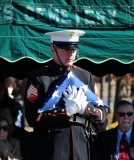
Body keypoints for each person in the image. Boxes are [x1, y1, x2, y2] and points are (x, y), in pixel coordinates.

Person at [24, 30, 107, 160]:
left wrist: (84, 108)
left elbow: (102, 116)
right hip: (51, 148)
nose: (70, 54)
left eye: (73, 50)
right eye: (65, 49)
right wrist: (65, 111)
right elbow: (32, 117)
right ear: (53, 49)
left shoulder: (85, 76)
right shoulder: (39, 77)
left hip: (81, 147)